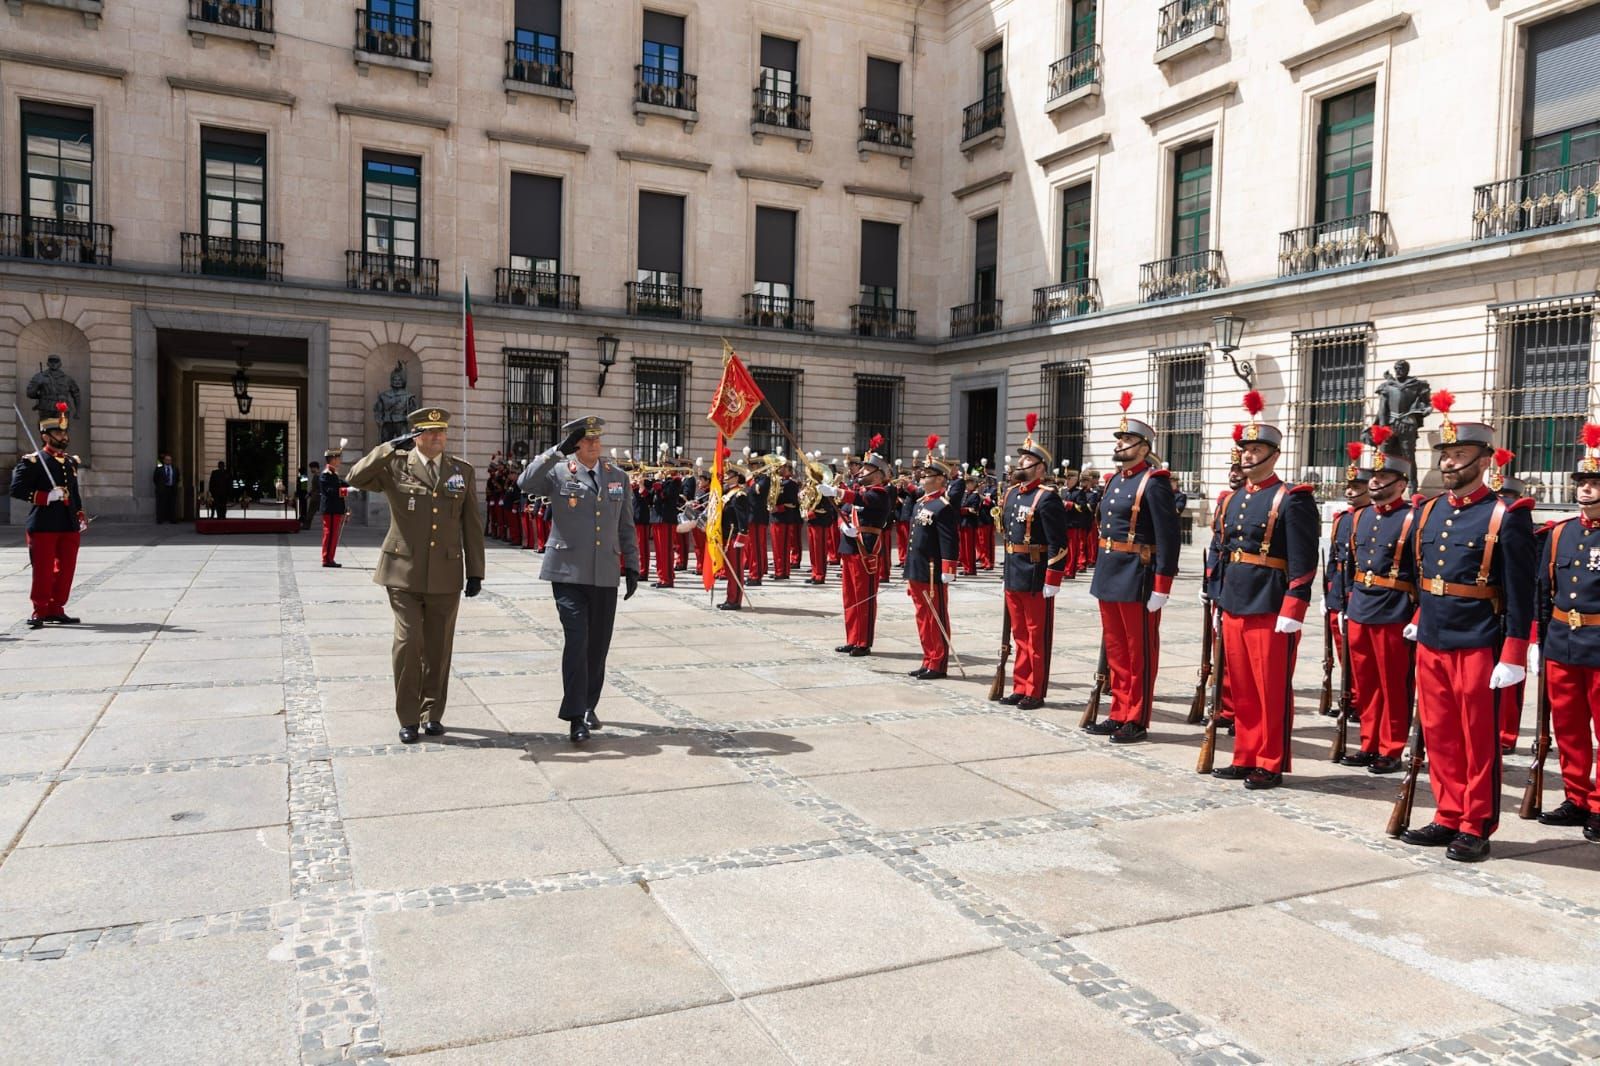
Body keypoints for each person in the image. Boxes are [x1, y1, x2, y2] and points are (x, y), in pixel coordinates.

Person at [1399, 395, 1534, 862]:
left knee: (1478, 737)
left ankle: (1475, 823)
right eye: (1445, 456)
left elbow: (1521, 591)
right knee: (1438, 731)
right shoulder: (1430, 510)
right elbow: (1421, 575)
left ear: (1484, 460)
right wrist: (1418, 618)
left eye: (1458, 456)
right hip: (1434, 634)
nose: (1449, 463)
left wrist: (1515, 651)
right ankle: (1447, 812)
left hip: (1479, 639)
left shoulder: (1507, 516)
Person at [346, 407, 486, 744]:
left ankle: (431, 713)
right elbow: (354, 477)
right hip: (403, 573)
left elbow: (471, 523)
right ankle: (408, 717)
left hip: (446, 572)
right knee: (409, 644)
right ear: (415, 435)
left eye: (441, 432)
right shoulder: (394, 466)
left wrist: (476, 571)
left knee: (438, 648)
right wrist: (387, 448)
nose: (436, 437)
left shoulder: (461, 471)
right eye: (428, 432)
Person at [1210, 391, 1319, 791]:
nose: (1247, 456)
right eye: (1244, 450)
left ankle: (1270, 760)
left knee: (1269, 688)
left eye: (1256, 450)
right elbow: (1222, 552)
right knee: (1240, 686)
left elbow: (1304, 559)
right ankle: (1245, 754)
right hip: (1236, 600)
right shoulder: (1234, 499)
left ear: (1273, 455)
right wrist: (1217, 599)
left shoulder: (1292, 499)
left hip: (1271, 603)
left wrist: (1295, 606)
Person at [517, 416, 640, 742]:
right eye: (586, 441)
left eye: (597, 440)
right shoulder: (558, 472)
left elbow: (625, 525)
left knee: (598, 645)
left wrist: (633, 566)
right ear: (576, 444)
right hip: (568, 571)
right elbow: (525, 483)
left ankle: (588, 704)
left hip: (605, 572)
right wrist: (557, 452)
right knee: (577, 640)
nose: (594, 445)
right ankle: (574, 716)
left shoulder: (617, 477)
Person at [1083, 393, 1181, 744]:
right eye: (1119, 440)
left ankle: (1136, 717)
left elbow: (1169, 537)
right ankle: (1119, 711)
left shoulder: (1153, 482)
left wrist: (1162, 584)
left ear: (1144, 447)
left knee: (1138, 650)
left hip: (1137, 574)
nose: (1121, 445)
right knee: (1116, 648)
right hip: (1109, 570)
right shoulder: (1113, 480)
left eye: (1127, 441)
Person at [1532, 422, 1600, 842]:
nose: (1586, 491)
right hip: (1562, 642)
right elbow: (1544, 591)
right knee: (1568, 728)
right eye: (1582, 483)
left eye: (1594, 483)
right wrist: (1539, 642)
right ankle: (1576, 796)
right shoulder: (1559, 533)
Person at [1335, 430, 1416, 775]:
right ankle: (1368, 742)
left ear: (1401, 483)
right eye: (1374, 477)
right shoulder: (1359, 517)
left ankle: (1392, 746)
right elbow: (1347, 567)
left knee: (1393, 683)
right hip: (1360, 607)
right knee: (1366, 682)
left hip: (1394, 608)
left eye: (1384, 477)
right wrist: (1341, 606)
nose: (1376, 483)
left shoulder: (1414, 519)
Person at [997, 414, 1070, 710]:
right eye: (1020, 459)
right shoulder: (1012, 494)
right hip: (1014, 571)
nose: (1020, 464)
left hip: (1036, 572)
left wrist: (1053, 578)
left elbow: (1059, 543)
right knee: (1018, 634)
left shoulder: (1046, 498)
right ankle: (1019, 684)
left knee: (1035, 635)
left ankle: (1035, 690)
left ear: (1039, 467)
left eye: (1026, 460)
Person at [10, 402, 87, 629]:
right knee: (43, 570)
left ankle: (57, 608)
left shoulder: (71, 462)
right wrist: (45, 497)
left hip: (68, 523)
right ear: (45, 436)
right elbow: (17, 489)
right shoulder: (33, 461)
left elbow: (74, 493)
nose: (63, 436)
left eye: (64, 432)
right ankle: (40, 609)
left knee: (66, 570)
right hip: (43, 524)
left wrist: (79, 514)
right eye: (58, 432)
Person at [827, 437, 893, 656]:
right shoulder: (860, 492)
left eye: (867, 469)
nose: (862, 472)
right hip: (849, 547)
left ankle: (863, 641)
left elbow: (861, 499)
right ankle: (852, 637)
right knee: (849, 596)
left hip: (867, 548)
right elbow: (844, 510)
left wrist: (836, 492)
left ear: (878, 474)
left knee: (864, 597)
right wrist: (842, 526)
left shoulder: (881, 493)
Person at [1321, 443, 1373, 716]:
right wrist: (1327, 592)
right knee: (1342, 651)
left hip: (1358, 593)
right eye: (1348, 486)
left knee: (1359, 654)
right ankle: (1349, 697)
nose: (1350, 491)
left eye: (1356, 486)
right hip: (1337, 593)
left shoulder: (1370, 518)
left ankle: (1361, 701)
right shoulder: (1342, 519)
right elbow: (1333, 558)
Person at [905, 438, 960, 679]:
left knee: (934, 616)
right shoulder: (920, 503)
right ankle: (927, 657)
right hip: (917, 567)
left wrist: (949, 567)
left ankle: (937, 662)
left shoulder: (942, 506)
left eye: (927, 475)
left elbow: (949, 539)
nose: (922, 478)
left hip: (932, 570)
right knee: (922, 616)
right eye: (922, 474)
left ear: (940, 479)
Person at [716, 463, 752, 611]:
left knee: (735, 570)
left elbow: (743, 519)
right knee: (729, 570)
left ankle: (735, 600)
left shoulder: (739, 495)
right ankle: (730, 597)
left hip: (734, 536)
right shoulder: (727, 492)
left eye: (728, 475)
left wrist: (741, 536)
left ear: (736, 477)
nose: (725, 477)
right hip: (726, 535)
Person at [650, 464, 682, 588]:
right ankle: (662, 576)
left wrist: (658, 482)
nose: (663, 468)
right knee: (659, 551)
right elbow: (651, 496)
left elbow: (666, 496)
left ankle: (667, 579)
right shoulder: (664, 481)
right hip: (658, 518)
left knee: (666, 550)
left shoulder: (675, 481)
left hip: (667, 518)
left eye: (666, 466)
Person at [771, 460, 802, 580]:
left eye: (781, 467)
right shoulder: (777, 482)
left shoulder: (790, 484)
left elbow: (793, 503)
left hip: (784, 518)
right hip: (775, 518)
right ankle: (778, 569)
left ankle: (782, 571)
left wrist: (778, 508)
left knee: (782, 547)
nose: (779, 469)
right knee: (776, 548)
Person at [320, 448, 350, 568]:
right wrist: (345, 491)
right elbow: (330, 491)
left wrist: (353, 485)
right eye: (338, 458)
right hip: (330, 509)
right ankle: (326, 559)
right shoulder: (325, 475)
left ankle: (330, 558)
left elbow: (343, 484)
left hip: (335, 509)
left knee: (334, 534)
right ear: (332, 459)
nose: (340, 461)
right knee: (330, 534)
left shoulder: (333, 474)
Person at [745, 459, 771, 586]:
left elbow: (757, 490)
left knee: (757, 548)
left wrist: (749, 479)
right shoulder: (755, 478)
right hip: (751, 517)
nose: (751, 468)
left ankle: (757, 575)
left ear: (760, 466)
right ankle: (752, 573)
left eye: (753, 466)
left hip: (758, 517)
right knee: (752, 547)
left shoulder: (764, 479)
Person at [152, 453, 181, 524]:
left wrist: (174, 485)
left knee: (172, 504)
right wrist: (160, 486)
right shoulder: (159, 469)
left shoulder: (175, 469)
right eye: (167, 460)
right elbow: (155, 479)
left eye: (170, 460)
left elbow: (177, 478)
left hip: (172, 488)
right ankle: (160, 519)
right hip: (162, 489)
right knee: (161, 504)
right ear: (164, 461)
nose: (168, 461)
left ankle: (172, 519)